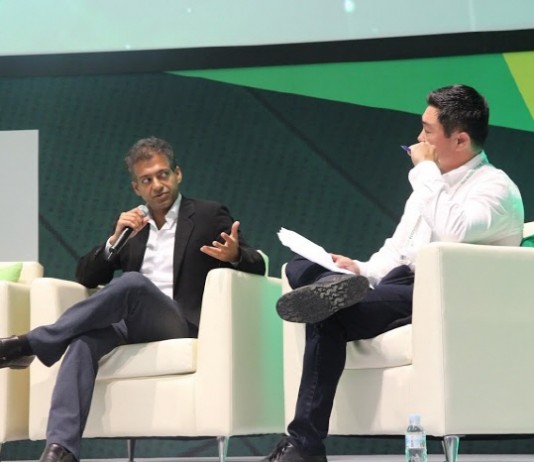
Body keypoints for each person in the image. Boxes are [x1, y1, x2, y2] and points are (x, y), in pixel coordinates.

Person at [263, 84, 524, 462]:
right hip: (400, 284)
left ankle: (304, 445)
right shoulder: (431, 185)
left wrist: (425, 171)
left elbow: (454, 233)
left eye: (428, 130)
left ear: (460, 139)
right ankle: (334, 282)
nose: (419, 138)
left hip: (444, 295)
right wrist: (360, 268)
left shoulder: (496, 189)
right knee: (300, 268)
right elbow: (398, 250)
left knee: (328, 311)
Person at [0, 136, 266, 462]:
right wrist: (114, 242)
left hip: (180, 322)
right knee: (83, 342)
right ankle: (62, 449)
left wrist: (235, 255)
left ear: (178, 174)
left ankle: (29, 344)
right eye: (147, 180)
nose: (157, 185)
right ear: (136, 188)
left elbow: (258, 264)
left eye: (163, 174)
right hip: (131, 324)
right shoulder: (131, 226)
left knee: (132, 283)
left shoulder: (209, 215)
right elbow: (85, 277)